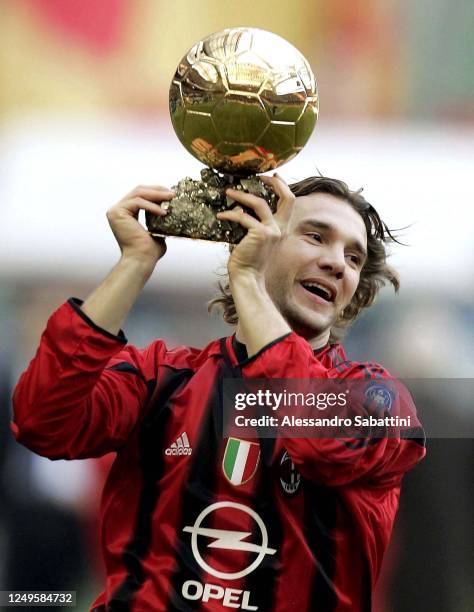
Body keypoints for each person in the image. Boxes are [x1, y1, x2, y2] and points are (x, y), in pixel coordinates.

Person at [11, 174, 425, 611]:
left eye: (353, 257)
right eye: (315, 236)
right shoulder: (163, 376)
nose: (337, 262)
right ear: (253, 237)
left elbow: (318, 442)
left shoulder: (377, 399)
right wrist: (134, 263)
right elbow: (42, 422)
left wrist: (248, 278)